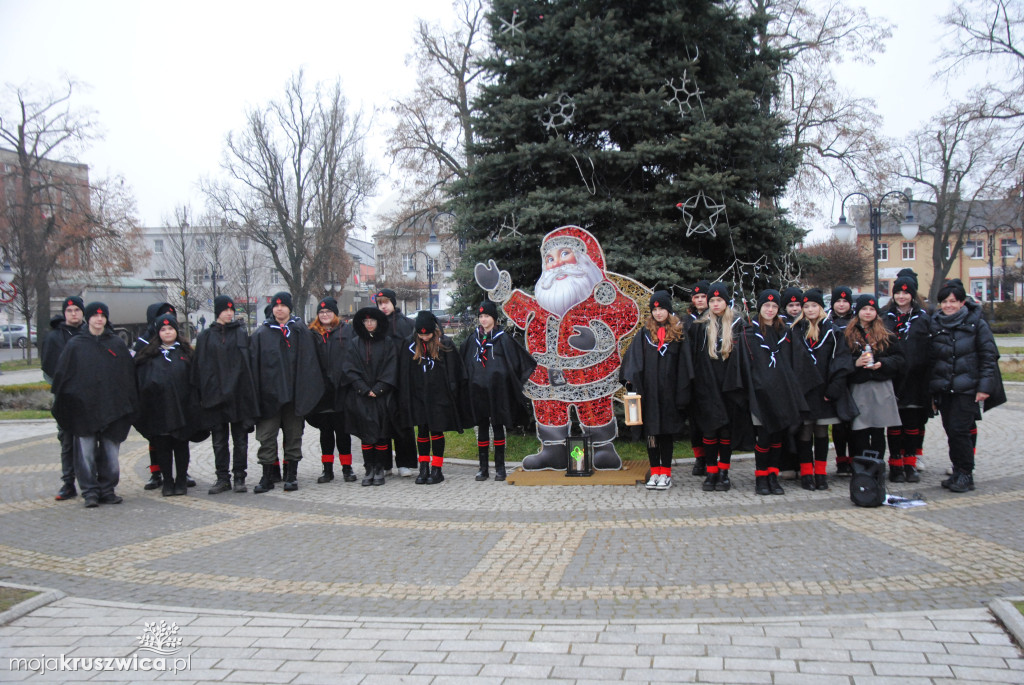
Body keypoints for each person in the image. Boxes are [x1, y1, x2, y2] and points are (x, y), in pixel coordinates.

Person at [475, 226, 640, 470]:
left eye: (565, 254)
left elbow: (627, 313)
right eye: (550, 259)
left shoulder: (601, 296)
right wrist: (500, 289)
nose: (557, 264)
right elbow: (519, 307)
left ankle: (603, 447)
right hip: (548, 372)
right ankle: (553, 450)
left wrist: (598, 337)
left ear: (584, 260)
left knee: (593, 404)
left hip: (590, 370)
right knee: (549, 408)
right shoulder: (542, 303)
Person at [51, 302, 139, 508]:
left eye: (103, 316)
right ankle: (90, 491)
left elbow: (127, 377)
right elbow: (63, 377)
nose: (99, 319)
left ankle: (108, 489)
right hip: (84, 410)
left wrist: (127, 403)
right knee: (86, 454)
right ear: (88, 318)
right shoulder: (75, 345)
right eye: (95, 315)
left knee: (110, 454)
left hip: (112, 408)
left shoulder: (116, 344)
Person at [928, 280, 1005, 493]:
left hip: (967, 387)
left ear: (962, 302)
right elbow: (932, 359)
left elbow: (988, 356)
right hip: (944, 387)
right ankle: (958, 470)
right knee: (951, 430)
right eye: (944, 301)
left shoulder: (976, 323)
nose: (948, 305)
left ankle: (965, 473)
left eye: (953, 301)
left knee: (960, 430)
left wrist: (984, 387)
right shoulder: (935, 323)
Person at [736, 290, 814, 496]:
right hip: (759, 394)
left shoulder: (785, 333)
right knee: (763, 437)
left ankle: (773, 475)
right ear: (760, 308)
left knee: (778, 436)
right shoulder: (748, 333)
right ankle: (761, 477)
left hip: (782, 393)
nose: (770, 310)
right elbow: (742, 365)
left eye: (774, 307)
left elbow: (796, 361)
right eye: (766, 306)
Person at [248, 292, 324, 493]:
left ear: (290, 308)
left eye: (283, 306)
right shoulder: (261, 334)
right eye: (276, 305)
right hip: (269, 397)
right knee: (266, 437)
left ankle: (291, 475)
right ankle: (267, 477)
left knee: (293, 436)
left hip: (293, 397)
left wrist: (305, 393)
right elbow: (253, 368)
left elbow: (309, 365)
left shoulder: (300, 332)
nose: (279, 309)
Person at [620, 291, 693, 490]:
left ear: (669, 310)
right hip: (650, 393)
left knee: (666, 433)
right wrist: (631, 382)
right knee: (652, 434)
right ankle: (655, 471)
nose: (658, 313)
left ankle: (666, 473)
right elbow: (633, 361)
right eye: (655, 309)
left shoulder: (679, 334)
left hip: (670, 393)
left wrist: (683, 392)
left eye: (662, 309)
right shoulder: (645, 334)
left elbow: (685, 366)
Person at [460, 300, 537, 482]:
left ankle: (500, 468)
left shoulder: (503, 338)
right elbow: (463, 362)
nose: (483, 320)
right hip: (477, 391)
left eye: (486, 316)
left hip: (498, 391)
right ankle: (483, 468)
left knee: (498, 426)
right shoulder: (473, 339)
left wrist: (508, 378)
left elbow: (518, 361)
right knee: (482, 427)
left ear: (493, 318)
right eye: (481, 316)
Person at [193, 296, 259, 494]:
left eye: (232, 310)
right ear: (218, 312)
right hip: (215, 396)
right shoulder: (206, 336)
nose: (229, 313)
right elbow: (201, 366)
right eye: (225, 310)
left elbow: (246, 365)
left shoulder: (240, 333)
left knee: (240, 440)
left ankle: (240, 476)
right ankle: (222, 477)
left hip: (238, 396)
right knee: (219, 440)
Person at [790, 289, 855, 490]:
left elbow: (841, 362)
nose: (810, 309)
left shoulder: (833, 332)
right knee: (805, 430)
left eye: (814, 306)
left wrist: (833, 389)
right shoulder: (795, 330)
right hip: (804, 391)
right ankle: (807, 473)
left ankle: (821, 472)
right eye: (806, 306)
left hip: (824, 391)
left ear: (821, 308)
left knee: (821, 432)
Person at [397, 311, 469, 485]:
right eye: (421, 334)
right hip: (418, 395)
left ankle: (437, 468)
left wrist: (451, 392)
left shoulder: (445, 344)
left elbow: (455, 372)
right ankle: (423, 467)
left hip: (439, 396)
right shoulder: (410, 344)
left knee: (436, 431)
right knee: (421, 431)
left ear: (434, 330)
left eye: (427, 334)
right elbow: (404, 372)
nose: (424, 337)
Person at [689, 282, 745, 492]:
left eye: (718, 300)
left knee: (726, 432)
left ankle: (724, 472)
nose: (714, 304)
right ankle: (711, 471)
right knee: (710, 431)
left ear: (726, 301)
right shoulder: (700, 326)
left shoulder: (738, 324)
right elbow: (694, 360)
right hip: (707, 387)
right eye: (712, 300)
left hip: (730, 387)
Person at [134, 313, 195, 496]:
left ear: (176, 331)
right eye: (163, 329)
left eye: (170, 329)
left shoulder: (187, 354)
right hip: (159, 409)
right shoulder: (149, 355)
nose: (167, 332)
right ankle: (167, 480)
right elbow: (141, 380)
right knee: (163, 446)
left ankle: (181, 479)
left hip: (182, 409)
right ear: (157, 333)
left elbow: (195, 380)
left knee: (181, 446)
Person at [844, 294, 904, 463]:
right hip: (859, 386)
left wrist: (882, 363)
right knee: (860, 430)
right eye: (864, 309)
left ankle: (877, 465)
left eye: (871, 309)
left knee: (878, 430)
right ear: (858, 312)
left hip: (881, 386)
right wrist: (855, 363)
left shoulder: (886, 334)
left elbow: (899, 358)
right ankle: (862, 467)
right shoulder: (847, 335)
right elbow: (840, 361)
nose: (868, 312)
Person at [342, 307, 398, 486]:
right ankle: (369, 468)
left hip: (382, 396)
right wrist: (363, 389)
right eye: (366, 321)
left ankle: (380, 468)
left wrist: (380, 388)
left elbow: (392, 367)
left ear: (378, 322)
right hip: (362, 396)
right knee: (366, 435)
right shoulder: (354, 343)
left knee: (381, 434)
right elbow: (349, 368)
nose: (369, 324)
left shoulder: (387, 342)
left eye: (372, 321)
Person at [884, 276, 931, 483]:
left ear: (913, 295)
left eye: (906, 293)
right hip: (892, 379)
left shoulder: (923, 318)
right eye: (898, 292)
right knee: (894, 424)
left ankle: (910, 463)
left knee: (912, 423)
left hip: (916, 380)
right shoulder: (885, 317)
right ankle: (895, 464)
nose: (901, 296)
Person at [307, 297, 357, 484]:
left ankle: (347, 468)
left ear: (334, 313)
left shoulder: (347, 331)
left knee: (343, 432)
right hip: (321, 392)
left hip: (341, 390)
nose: (325, 315)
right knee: (325, 432)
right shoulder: (312, 333)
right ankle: (327, 469)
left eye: (328, 312)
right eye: (321, 312)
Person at [41, 295, 84, 501]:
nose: (73, 314)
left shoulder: (90, 332)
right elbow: (48, 368)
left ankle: (93, 481)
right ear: (64, 313)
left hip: (89, 400)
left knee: (91, 442)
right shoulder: (54, 337)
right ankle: (68, 483)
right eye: (69, 310)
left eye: (77, 310)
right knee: (67, 442)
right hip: (66, 399)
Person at [375, 288, 416, 478]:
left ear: (393, 302)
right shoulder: (374, 325)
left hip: (403, 380)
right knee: (382, 423)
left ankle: (404, 462)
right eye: (380, 303)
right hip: (381, 380)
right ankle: (384, 463)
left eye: (386, 302)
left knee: (403, 423)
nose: (383, 306)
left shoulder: (407, 324)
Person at [827, 285, 855, 475]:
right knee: (838, 423)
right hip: (835, 376)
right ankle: (841, 460)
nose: (842, 304)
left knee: (853, 422)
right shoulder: (827, 321)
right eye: (838, 301)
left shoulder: (857, 320)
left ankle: (854, 459)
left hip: (855, 376)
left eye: (845, 301)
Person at [685, 280, 710, 476]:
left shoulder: (715, 318)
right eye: (697, 297)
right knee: (695, 422)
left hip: (710, 376)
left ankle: (712, 458)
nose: (700, 300)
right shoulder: (686, 320)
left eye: (703, 296)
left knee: (710, 420)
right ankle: (699, 458)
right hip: (692, 376)